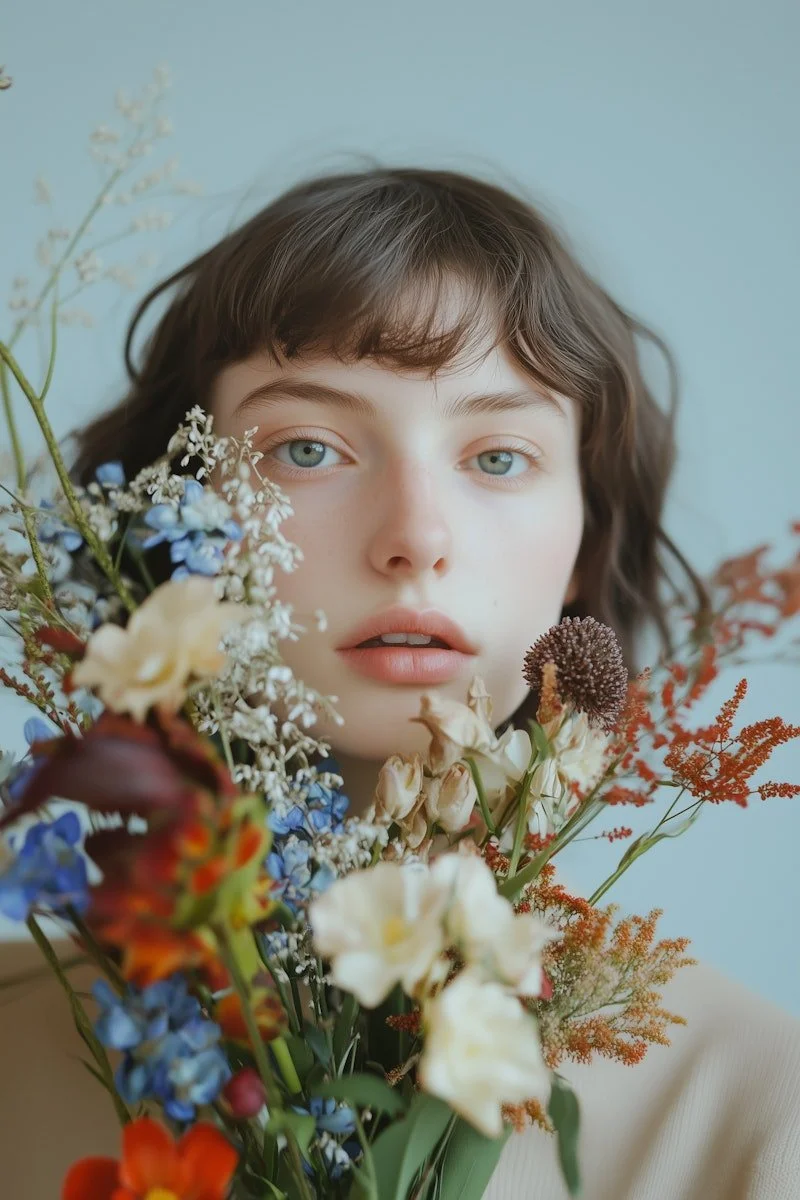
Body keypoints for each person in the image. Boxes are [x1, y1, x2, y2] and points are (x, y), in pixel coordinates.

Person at [63, 166, 799, 1197]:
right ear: (173, 526)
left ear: (584, 543)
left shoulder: (758, 1116)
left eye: (497, 458)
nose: (414, 538)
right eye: (307, 448)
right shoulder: (30, 1042)